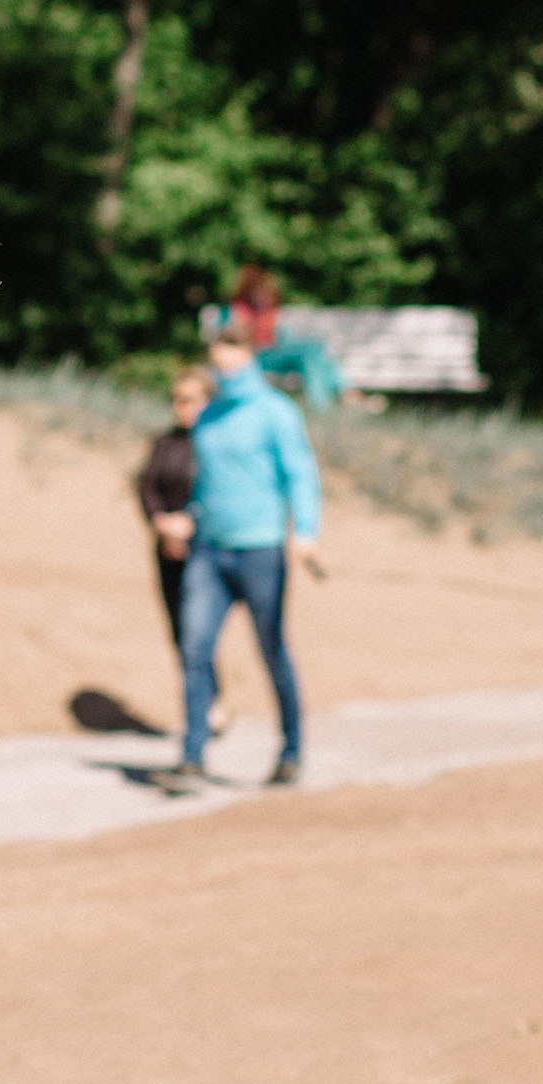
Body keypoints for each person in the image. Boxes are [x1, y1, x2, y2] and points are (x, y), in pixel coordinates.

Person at [170, 332, 320, 788]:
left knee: (272, 650)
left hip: (261, 550)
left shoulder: (275, 411)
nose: (224, 366)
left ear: (250, 356)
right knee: (194, 648)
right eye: (217, 357)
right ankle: (192, 752)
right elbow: (206, 480)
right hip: (209, 552)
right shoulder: (208, 415)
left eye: (232, 356)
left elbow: (300, 472)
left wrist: (306, 531)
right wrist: (188, 518)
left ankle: (291, 748)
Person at [136, 366, 214, 654]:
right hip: (167, 548)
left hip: (205, 548)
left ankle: (209, 695)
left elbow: (220, 491)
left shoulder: (216, 444)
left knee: (200, 631)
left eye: (190, 398)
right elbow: (146, 487)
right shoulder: (164, 442)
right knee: (179, 631)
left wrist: (191, 523)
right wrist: (162, 523)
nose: (181, 406)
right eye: (177, 398)